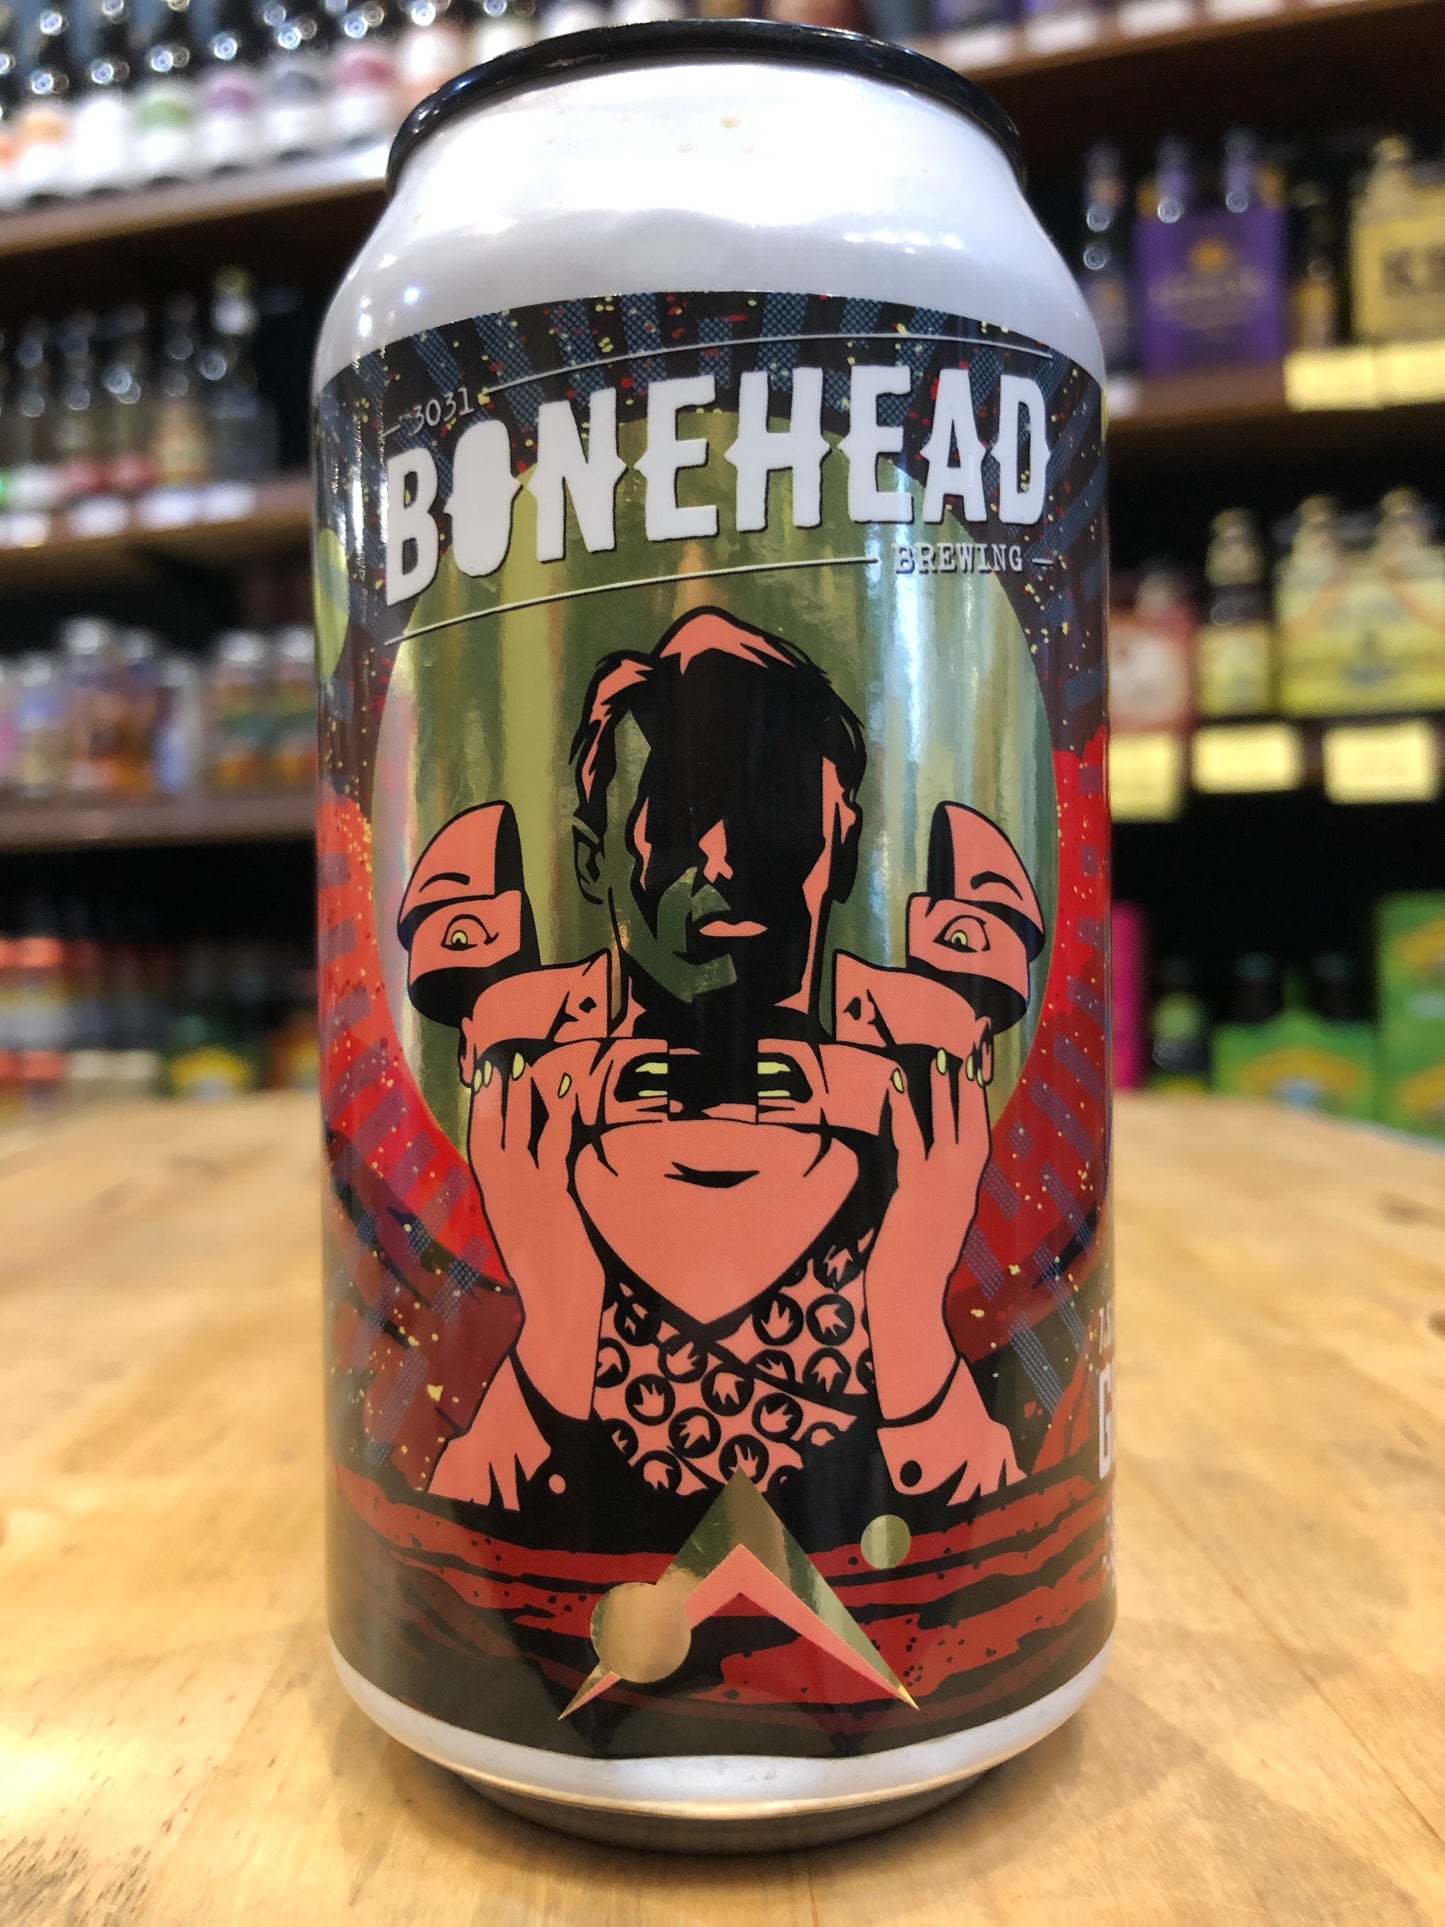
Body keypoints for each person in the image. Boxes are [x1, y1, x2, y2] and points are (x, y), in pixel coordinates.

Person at [396, 607, 1045, 1535]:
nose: (727, 861)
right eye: (675, 817)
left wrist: (908, 1301)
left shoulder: (920, 1060)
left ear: (843, 845)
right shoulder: (524, 1056)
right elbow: (456, 1540)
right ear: (592, 858)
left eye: (773, 814)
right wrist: (554, 1314)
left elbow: (1002, 1530)